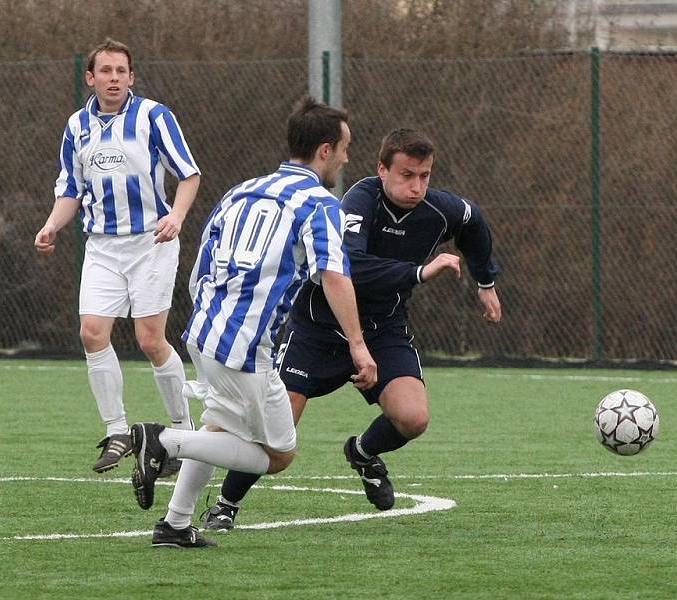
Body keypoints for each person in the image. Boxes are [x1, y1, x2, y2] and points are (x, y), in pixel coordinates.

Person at [202, 128, 501, 531]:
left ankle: (362, 453)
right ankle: (226, 503)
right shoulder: (359, 201)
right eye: (407, 175)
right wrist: (419, 272)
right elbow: (350, 267)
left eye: (425, 176)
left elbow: (473, 221)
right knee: (277, 433)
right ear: (382, 169)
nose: (416, 186)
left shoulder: (439, 209)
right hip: (319, 330)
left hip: (383, 331)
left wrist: (486, 282)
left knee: (413, 417)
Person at [125, 96, 377, 548]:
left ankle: (175, 524)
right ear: (324, 149)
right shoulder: (320, 204)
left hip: (204, 335)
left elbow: (200, 268)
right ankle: (163, 441)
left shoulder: (240, 190)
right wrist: (358, 344)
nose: (346, 156)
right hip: (245, 349)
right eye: (344, 147)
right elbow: (334, 276)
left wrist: (212, 318)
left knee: (220, 428)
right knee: (279, 454)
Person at [34, 38, 200, 475]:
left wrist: (177, 217)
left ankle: (183, 437)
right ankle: (118, 431)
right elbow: (70, 188)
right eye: (104, 71)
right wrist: (52, 224)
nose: (113, 79)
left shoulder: (153, 116)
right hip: (102, 246)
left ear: (132, 77)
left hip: (152, 241)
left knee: (150, 340)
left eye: (120, 71)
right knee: (92, 333)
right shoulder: (76, 126)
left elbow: (189, 174)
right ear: (90, 78)